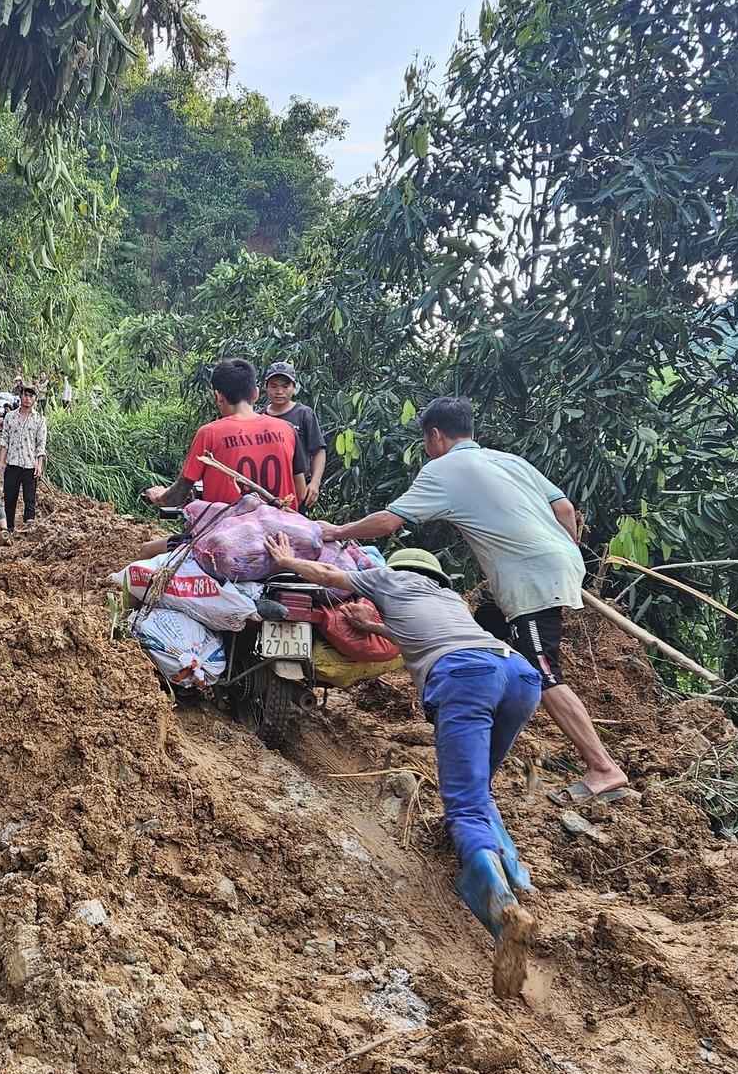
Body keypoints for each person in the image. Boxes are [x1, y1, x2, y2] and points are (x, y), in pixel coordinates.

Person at [263, 537, 541, 996]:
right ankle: (514, 869)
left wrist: (284, 560)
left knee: (465, 806)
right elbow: (421, 633)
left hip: (466, 676)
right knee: (479, 789)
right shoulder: (448, 598)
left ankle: (502, 911)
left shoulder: (388, 578)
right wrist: (374, 625)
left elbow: (331, 578)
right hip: (518, 675)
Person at [323, 396, 631, 804]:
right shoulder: (509, 460)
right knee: (480, 635)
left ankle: (603, 768)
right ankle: (478, 767)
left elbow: (388, 522)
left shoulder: (444, 469)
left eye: (425, 440)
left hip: (529, 578)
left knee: (543, 671)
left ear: (434, 435)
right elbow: (565, 507)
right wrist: (565, 554)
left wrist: (335, 531)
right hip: (555, 562)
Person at [135, 357, 300, 560]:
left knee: (145, 551)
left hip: (228, 540)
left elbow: (177, 496)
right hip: (284, 538)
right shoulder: (287, 430)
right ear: (256, 393)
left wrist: (159, 496)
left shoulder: (210, 433)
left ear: (218, 396)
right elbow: (299, 491)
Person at [261, 361, 327, 510]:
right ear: (266, 387)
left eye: (285, 386)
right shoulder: (258, 415)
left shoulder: (304, 414)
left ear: (294, 387)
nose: (279, 391)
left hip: (298, 487)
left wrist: (315, 482)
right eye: (274, 386)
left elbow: (319, 451)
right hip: (265, 488)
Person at [0, 384, 48, 529]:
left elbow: (40, 444)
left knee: (29, 500)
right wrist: (1, 461)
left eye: (31, 396)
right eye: (25, 395)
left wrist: (39, 465)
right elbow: (4, 440)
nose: (27, 398)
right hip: (13, 464)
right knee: (9, 498)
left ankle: (28, 530)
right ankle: (8, 530)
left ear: (35, 399)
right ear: (20, 396)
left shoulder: (39, 419)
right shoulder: (10, 416)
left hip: (30, 466)